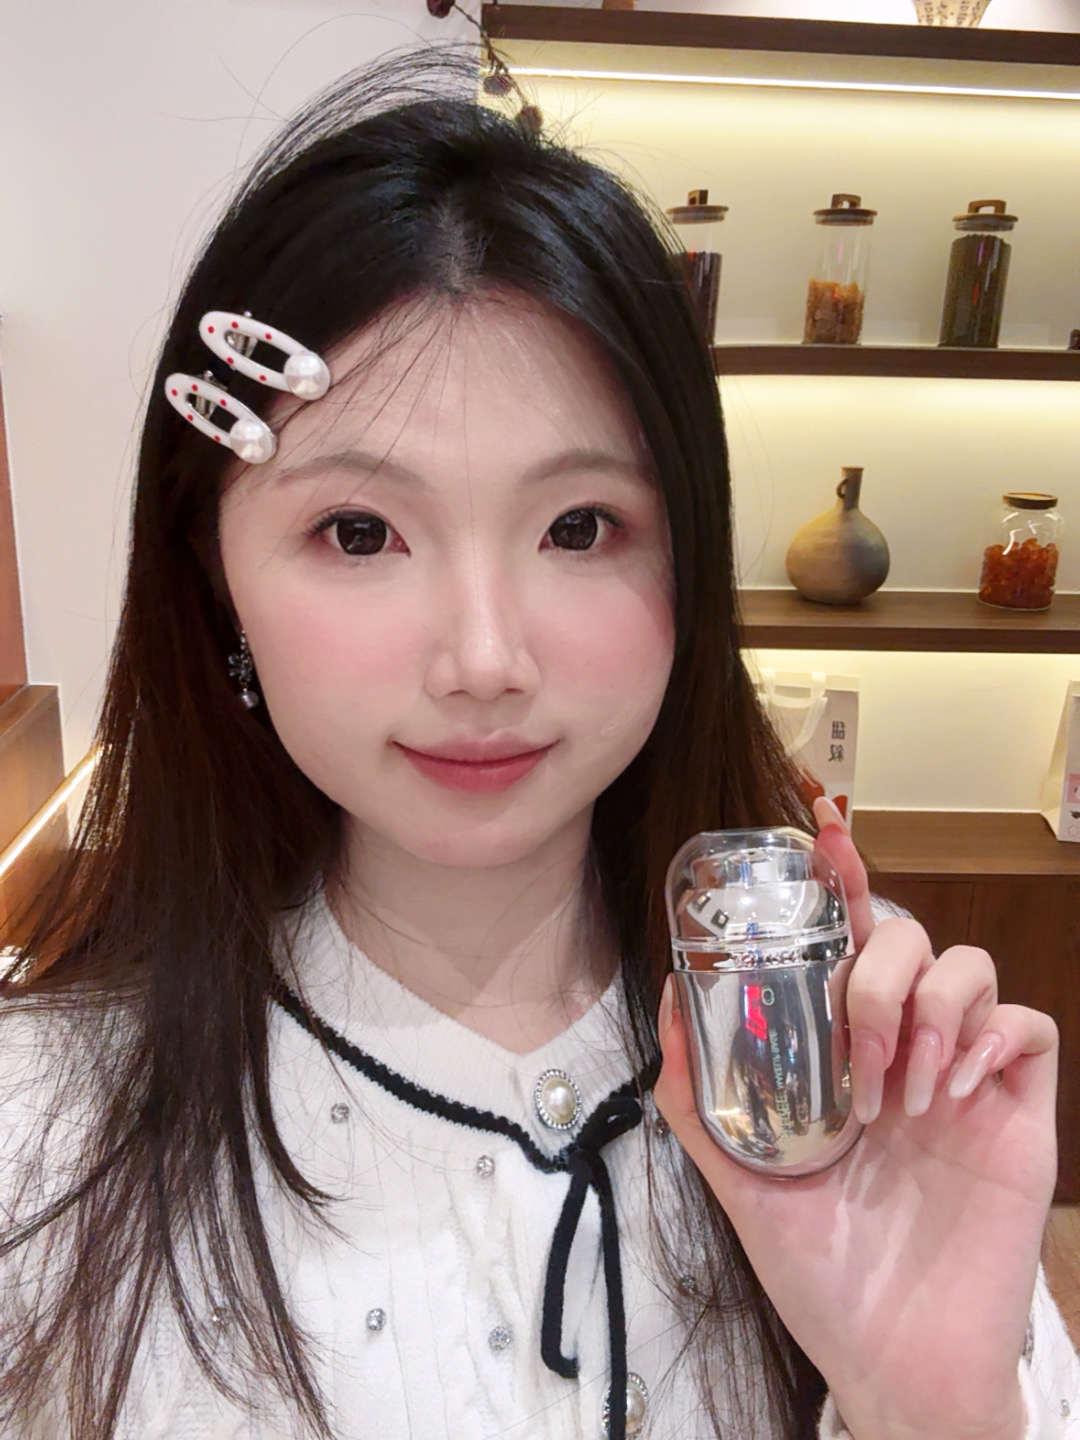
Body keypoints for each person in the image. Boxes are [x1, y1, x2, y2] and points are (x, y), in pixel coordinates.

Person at [0, 44, 1076, 1440]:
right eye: (358, 532)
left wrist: (925, 1399)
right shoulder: (43, 1136)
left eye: (580, 527)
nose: (485, 659)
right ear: (215, 575)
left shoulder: (848, 1096)